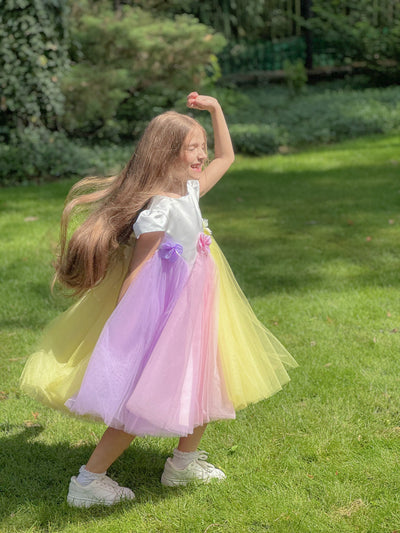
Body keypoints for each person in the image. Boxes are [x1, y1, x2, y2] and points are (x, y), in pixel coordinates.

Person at [20, 92, 297, 508]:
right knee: (142, 400)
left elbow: (227, 159)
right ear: (167, 153)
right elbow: (138, 269)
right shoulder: (159, 209)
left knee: (204, 378)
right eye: (193, 148)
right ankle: (88, 481)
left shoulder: (187, 190)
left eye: (202, 146)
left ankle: (183, 464)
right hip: (166, 315)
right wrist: (128, 327)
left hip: (198, 308)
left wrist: (217, 109)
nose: (203, 155)